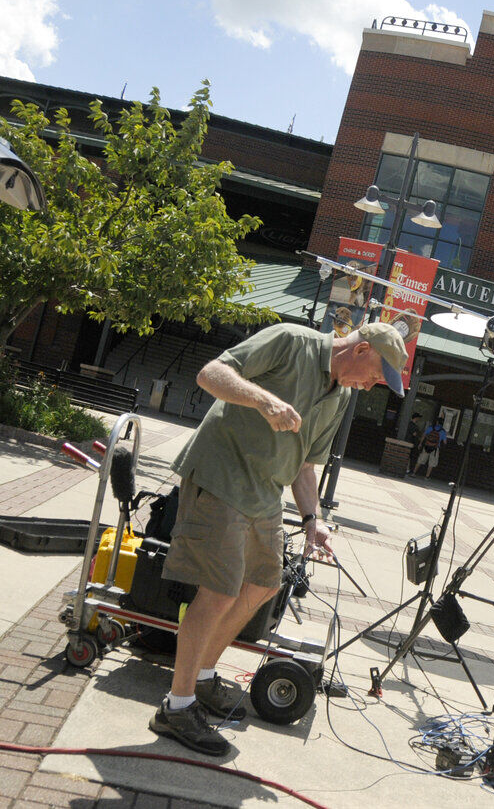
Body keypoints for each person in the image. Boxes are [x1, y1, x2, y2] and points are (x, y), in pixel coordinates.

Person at [148, 321, 407, 757]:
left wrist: (313, 519)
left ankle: (204, 675)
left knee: (265, 584)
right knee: (219, 592)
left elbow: (306, 465)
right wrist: (262, 398)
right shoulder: (291, 341)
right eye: (376, 375)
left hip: (265, 493)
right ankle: (177, 706)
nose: (371, 386)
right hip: (222, 475)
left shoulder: (340, 396)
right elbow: (211, 373)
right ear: (361, 350)